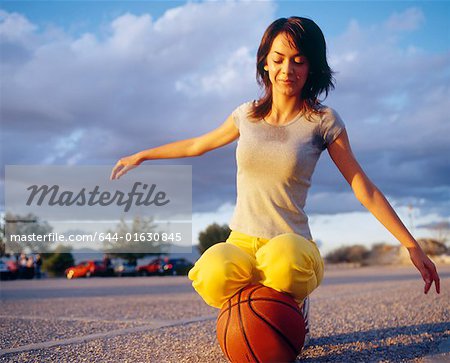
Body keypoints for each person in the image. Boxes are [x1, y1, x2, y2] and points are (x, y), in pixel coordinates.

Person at [111, 16, 440, 350]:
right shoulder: (246, 116)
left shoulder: (323, 121)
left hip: (290, 242)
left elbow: (362, 186)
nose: (288, 70)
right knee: (212, 271)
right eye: (279, 59)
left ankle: (294, 306)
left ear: (312, 67)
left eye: (299, 61)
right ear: (265, 62)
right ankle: (250, 314)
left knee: (284, 263)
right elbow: (197, 145)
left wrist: (411, 244)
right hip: (242, 240)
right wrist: (143, 155)